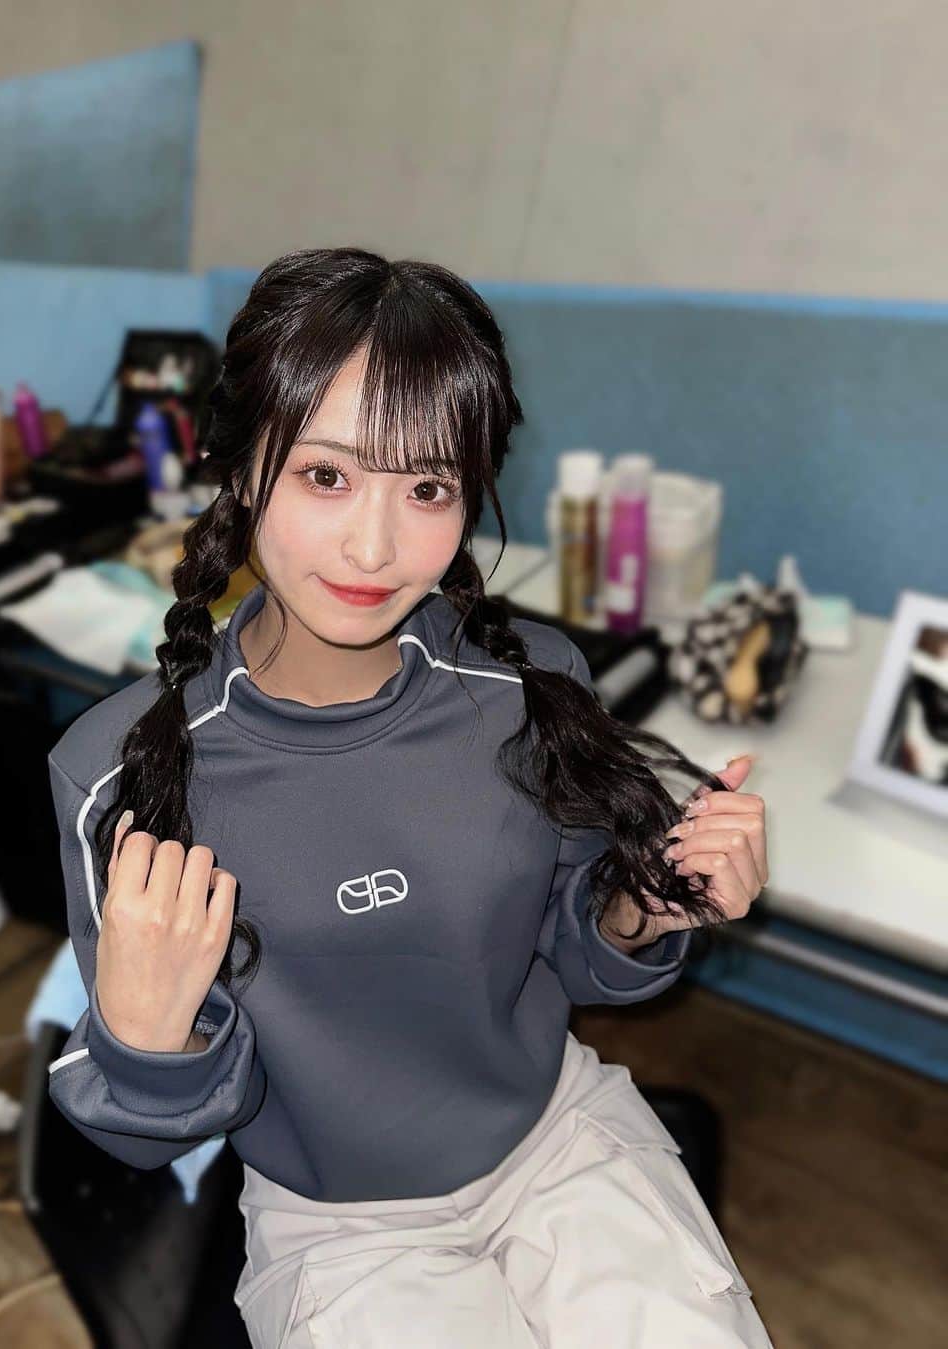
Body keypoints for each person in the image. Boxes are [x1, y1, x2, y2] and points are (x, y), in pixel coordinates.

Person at [46, 247, 775, 1347]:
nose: (376, 545)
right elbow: (143, 1137)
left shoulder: (533, 685)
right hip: (338, 1224)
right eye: (326, 476)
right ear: (243, 469)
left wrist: (651, 903)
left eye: (428, 488)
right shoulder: (122, 773)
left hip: (558, 1143)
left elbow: (582, 951)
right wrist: (148, 1036)